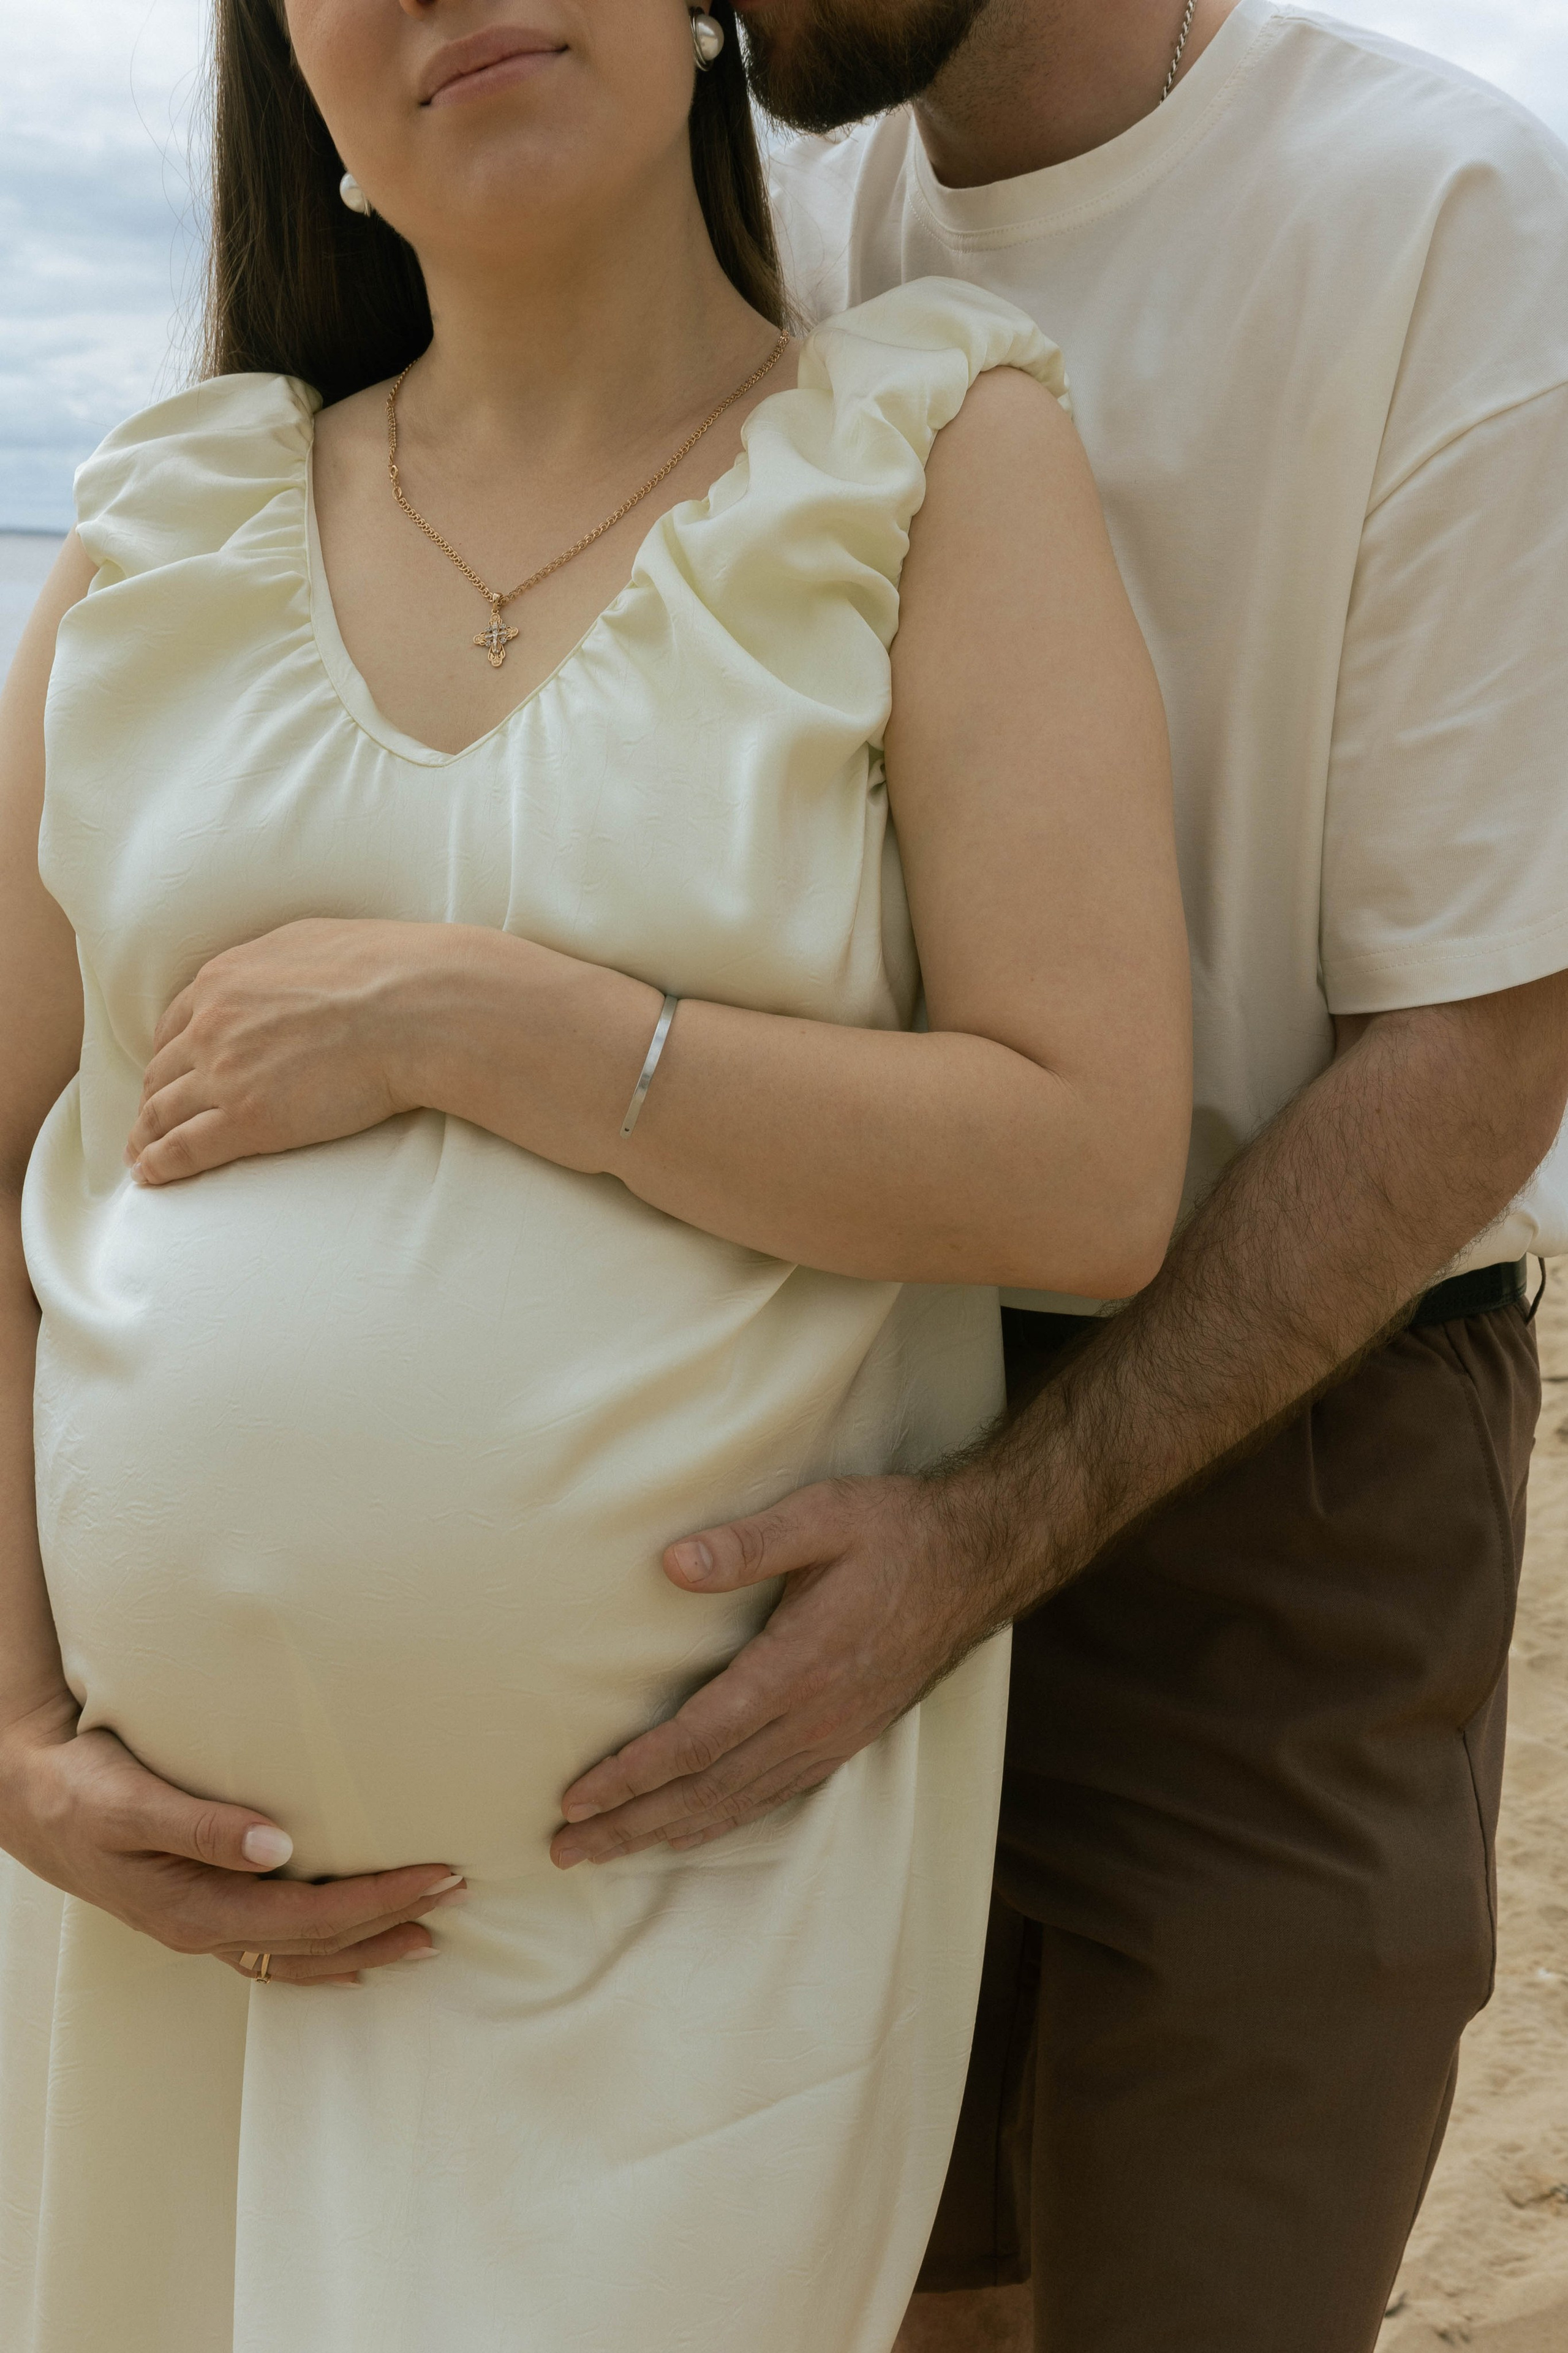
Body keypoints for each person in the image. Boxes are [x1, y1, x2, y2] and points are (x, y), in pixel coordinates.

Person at [0, 0, 1191, 2347]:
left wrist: (500, 1031)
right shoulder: (160, 522)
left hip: (682, 1927)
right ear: (296, 86)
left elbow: (1088, 1165)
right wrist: (11, 1740)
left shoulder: (929, 448)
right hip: (151, 1933)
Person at [543, 3, 1568, 2347]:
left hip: (1299, 1437)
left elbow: (1484, 1039)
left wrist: (989, 1534)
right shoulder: (782, 225)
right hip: (824, 1390)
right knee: (897, 2287)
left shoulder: (1446, 219)